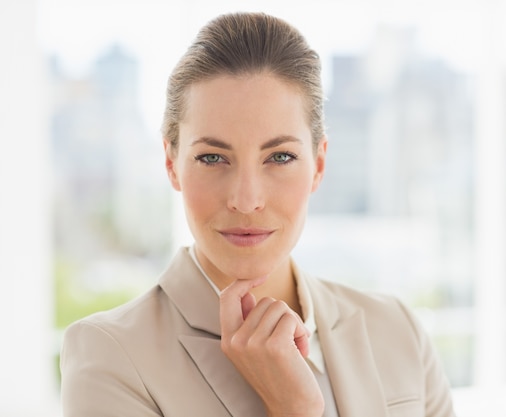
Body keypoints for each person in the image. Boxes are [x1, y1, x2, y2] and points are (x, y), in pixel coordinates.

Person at [60, 11, 456, 417]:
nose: (246, 200)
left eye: (280, 157)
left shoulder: (396, 329)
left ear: (318, 166)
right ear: (171, 163)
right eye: (212, 157)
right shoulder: (110, 357)